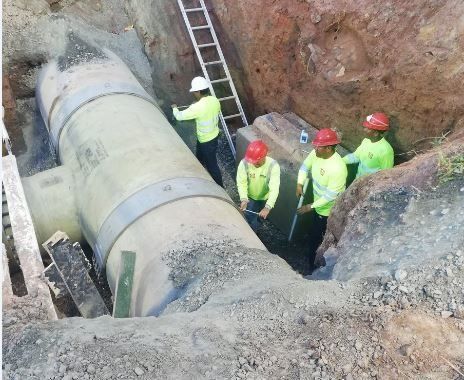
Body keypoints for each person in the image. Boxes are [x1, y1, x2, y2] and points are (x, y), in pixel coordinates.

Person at [296, 128, 347, 269]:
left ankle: (312, 265)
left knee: (317, 239)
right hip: (317, 205)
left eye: (319, 147)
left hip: (327, 211)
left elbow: (330, 196)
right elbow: (304, 167)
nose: (315, 149)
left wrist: (309, 206)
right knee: (314, 232)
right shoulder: (316, 154)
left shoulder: (337, 168)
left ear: (329, 148)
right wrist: (299, 183)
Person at [172, 76, 223, 187]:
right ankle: (199, 167)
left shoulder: (197, 107)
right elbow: (207, 111)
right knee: (200, 155)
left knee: (212, 166)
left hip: (206, 141)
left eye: (195, 91)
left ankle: (220, 187)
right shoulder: (215, 100)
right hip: (213, 135)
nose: (194, 93)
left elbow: (179, 117)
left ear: (199, 91)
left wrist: (175, 108)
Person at [237, 140, 280, 232]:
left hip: (265, 198)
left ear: (264, 156)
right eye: (252, 161)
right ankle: (250, 233)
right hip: (250, 198)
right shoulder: (244, 163)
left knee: (261, 216)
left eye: (256, 161)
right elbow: (241, 182)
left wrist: (268, 207)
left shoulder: (273, 166)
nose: (253, 163)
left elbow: (274, 188)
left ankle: (257, 227)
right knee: (250, 218)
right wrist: (244, 199)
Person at [343, 112, 394, 178]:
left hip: (370, 186)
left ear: (375, 133)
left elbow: (386, 176)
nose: (364, 130)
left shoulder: (386, 151)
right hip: (358, 181)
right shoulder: (366, 141)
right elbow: (355, 156)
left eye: (368, 129)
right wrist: (340, 161)